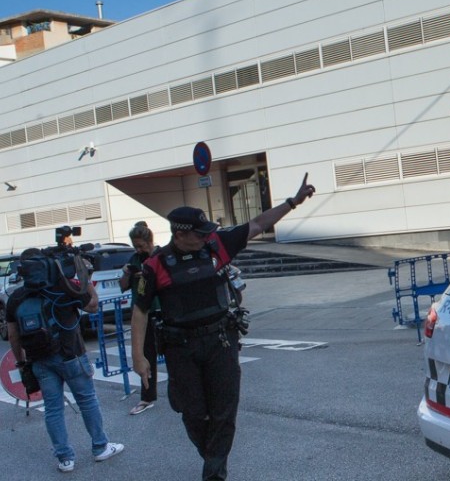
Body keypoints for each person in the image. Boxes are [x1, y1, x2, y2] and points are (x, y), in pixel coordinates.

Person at [131, 174, 315, 481]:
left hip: (221, 341)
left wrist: (292, 203)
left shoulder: (215, 245)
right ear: (180, 234)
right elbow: (139, 311)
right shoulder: (154, 266)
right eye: (198, 233)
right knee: (193, 413)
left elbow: (257, 224)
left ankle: (214, 473)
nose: (205, 236)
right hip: (181, 349)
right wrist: (139, 357)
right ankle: (213, 460)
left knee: (224, 411)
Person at [5, 248, 125, 473]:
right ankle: (100, 447)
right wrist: (84, 277)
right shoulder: (62, 287)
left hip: (39, 360)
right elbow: (92, 305)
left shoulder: (16, 298)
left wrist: (22, 363)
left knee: (53, 409)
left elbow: (13, 336)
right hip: (72, 355)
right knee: (87, 401)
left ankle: (65, 459)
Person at [119, 220, 160, 415]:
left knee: (176, 353)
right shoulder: (134, 259)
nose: (138, 249)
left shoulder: (159, 256)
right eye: (135, 246)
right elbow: (122, 286)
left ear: (149, 242)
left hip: (161, 311)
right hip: (141, 313)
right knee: (146, 355)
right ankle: (147, 397)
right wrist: (128, 273)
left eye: (141, 246)